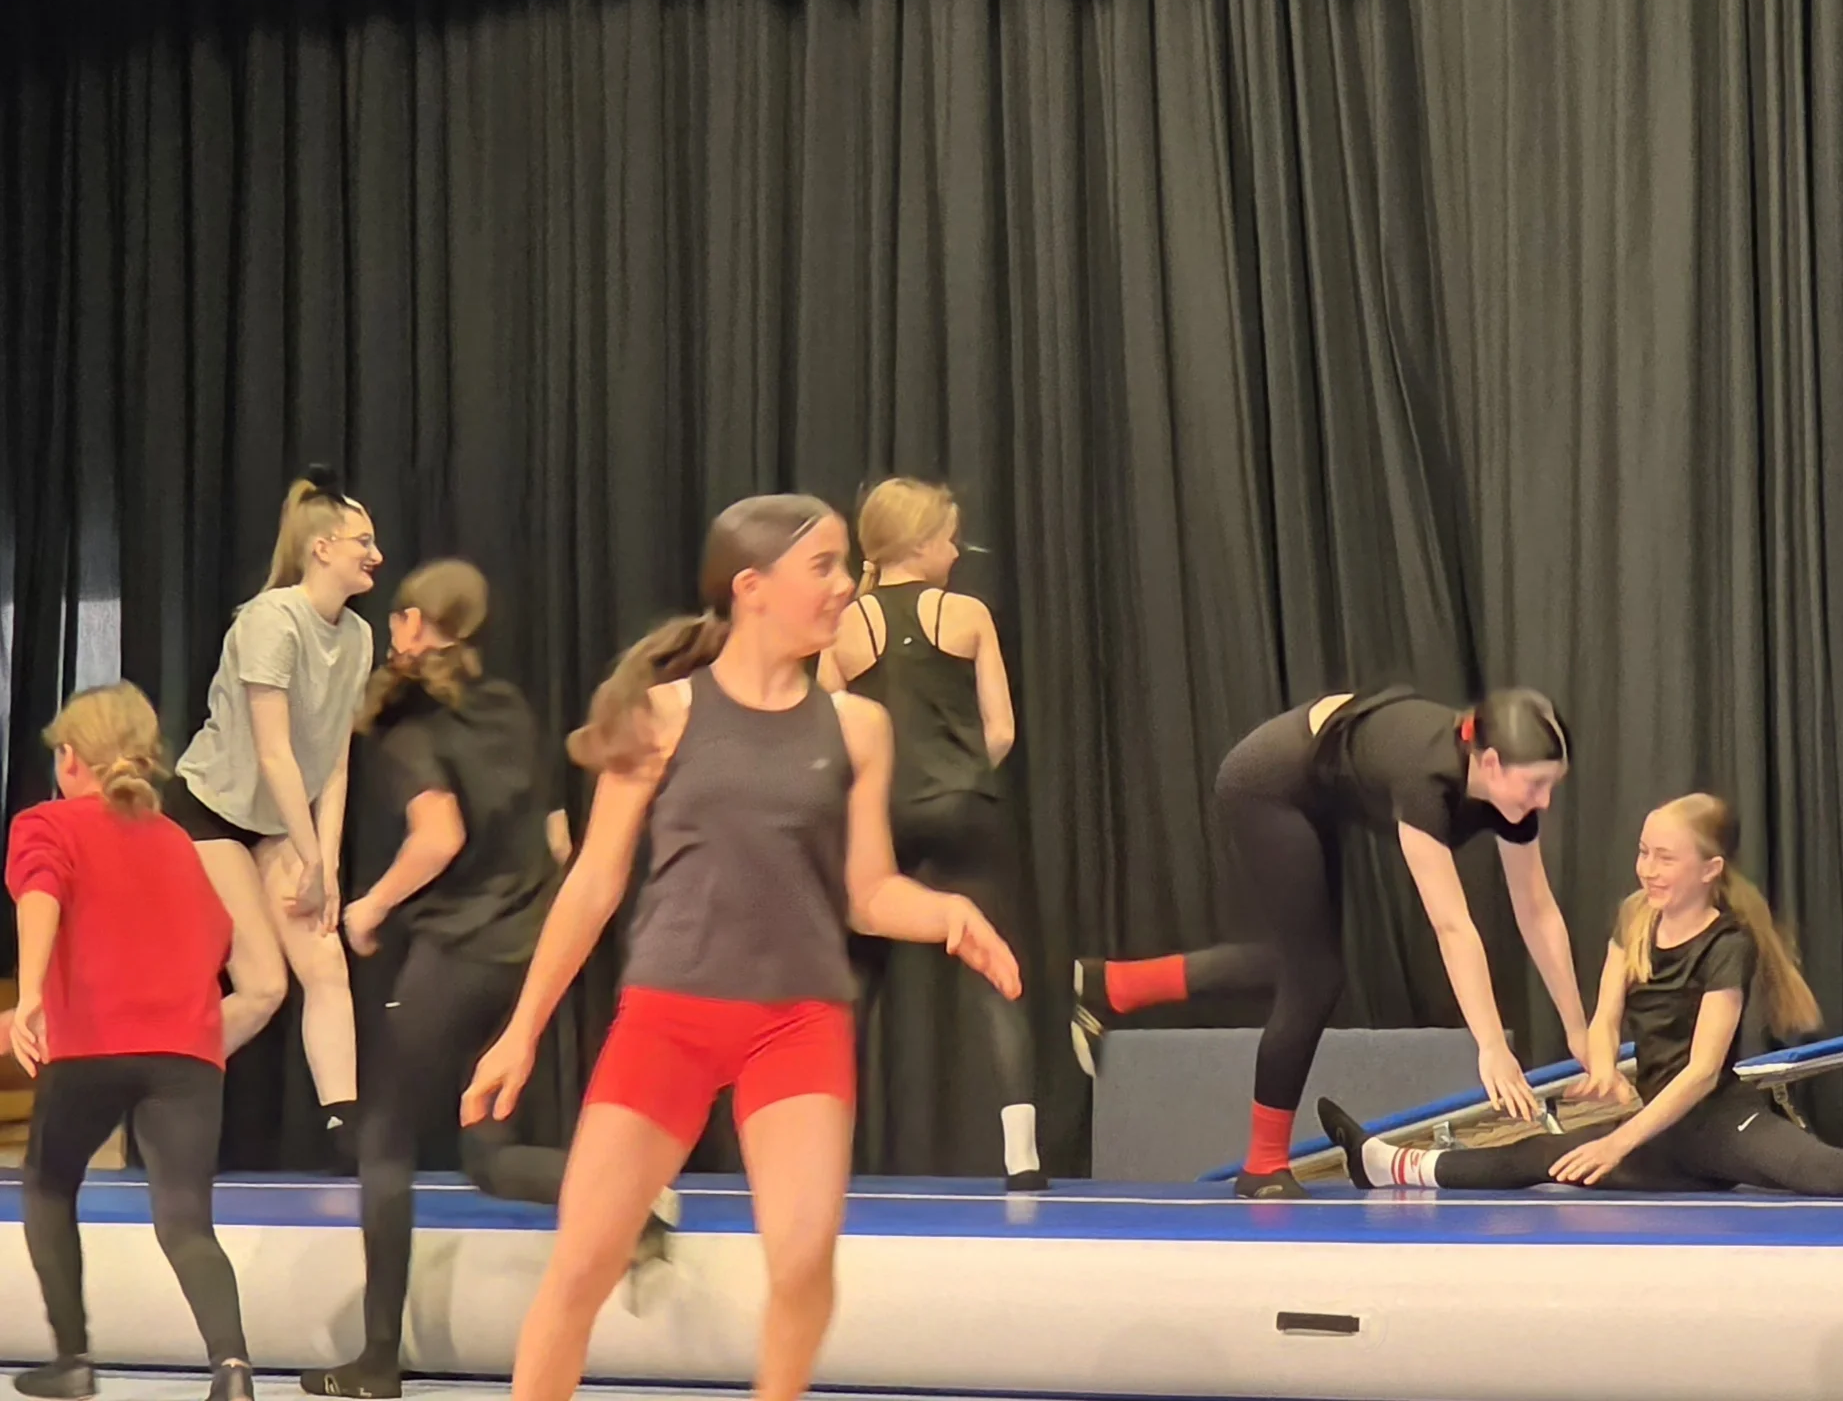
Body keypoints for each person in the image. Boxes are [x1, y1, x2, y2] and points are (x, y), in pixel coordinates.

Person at [459, 493, 1021, 1401]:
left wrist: (948, 915)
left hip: (798, 1024)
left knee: (803, 1262)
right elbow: (594, 884)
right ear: (753, 587)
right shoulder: (663, 715)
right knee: (582, 1265)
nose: (845, 586)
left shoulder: (858, 727)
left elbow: (867, 892)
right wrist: (521, 1030)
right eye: (823, 567)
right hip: (668, 1021)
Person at [296, 560, 670, 1401]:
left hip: (459, 953)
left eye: (397, 619)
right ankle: (633, 1207)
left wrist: (370, 906)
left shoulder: (406, 724)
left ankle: (377, 1362)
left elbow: (438, 836)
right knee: (485, 1151)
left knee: (383, 1140)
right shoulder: (509, 705)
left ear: (414, 625)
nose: (391, 632)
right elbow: (558, 837)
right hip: (528, 954)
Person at [1071, 686, 1586, 1199]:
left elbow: (1538, 912)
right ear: (1491, 762)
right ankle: (1262, 1167)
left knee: (1301, 966)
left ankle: (1113, 986)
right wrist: (1491, 1047)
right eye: (1537, 784)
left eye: (1552, 785)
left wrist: (1581, 1034)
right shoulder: (1425, 781)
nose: (1544, 801)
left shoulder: (1506, 796)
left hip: (1319, 788)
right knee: (1313, 979)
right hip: (1267, 784)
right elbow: (1453, 927)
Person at [1321, 792, 1843, 1195]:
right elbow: (1605, 1016)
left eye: (1666, 858)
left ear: (1710, 869)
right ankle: (1386, 1164)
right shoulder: (1635, 917)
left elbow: (1701, 1074)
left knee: (1837, 1175)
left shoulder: (1728, 945)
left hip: (1720, 1125)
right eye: (1643, 852)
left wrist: (1617, 1141)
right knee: (1538, 1157)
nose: (1647, 869)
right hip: (1661, 1135)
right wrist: (1604, 1067)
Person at [6, 683, 255, 1401]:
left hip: (94, 1042)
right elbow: (217, 935)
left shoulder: (45, 823)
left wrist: (30, 994)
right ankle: (233, 1370)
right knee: (186, 1222)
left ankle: (74, 1360)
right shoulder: (175, 840)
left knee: (49, 1184)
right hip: (187, 1052)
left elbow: (41, 893)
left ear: (69, 757)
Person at [816, 477, 1042, 1190]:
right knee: (994, 971)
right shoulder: (968, 614)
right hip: (962, 808)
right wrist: (962, 775)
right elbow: (1001, 729)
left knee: (856, 978)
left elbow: (829, 731)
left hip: (879, 815)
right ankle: (1023, 1158)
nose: (956, 549)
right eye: (949, 537)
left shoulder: (842, 626)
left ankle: (826, 1149)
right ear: (919, 544)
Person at [165, 465, 379, 1167]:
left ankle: (345, 1130)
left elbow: (335, 761)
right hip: (213, 811)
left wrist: (329, 865)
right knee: (261, 986)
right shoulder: (270, 621)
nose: (376, 556)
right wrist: (309, 858)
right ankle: (154, 1087)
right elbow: (274, 752)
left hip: (281, 821)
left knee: (324, 960)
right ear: (322, 547)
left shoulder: (358, 637)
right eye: (363, 542)